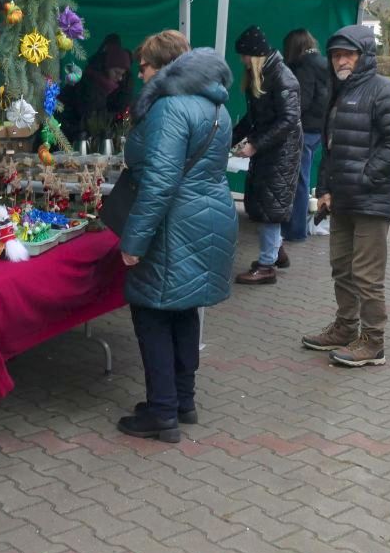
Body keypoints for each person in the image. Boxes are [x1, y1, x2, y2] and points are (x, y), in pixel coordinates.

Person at [116, 30, 237, 443]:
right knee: (184, 310)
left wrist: (133, 242)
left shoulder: (169, 108)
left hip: (174, 223)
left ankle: (162, 412)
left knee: (151, 312)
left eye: (145, 67)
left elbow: (159, 183)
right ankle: (183, 402)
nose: (141, 75)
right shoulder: (217, 105)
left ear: (165, 67)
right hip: (207, 215)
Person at [302, 24, 390, 366]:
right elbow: (331, 149)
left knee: (367, 275)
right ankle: (345, 328)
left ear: (364, 56)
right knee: (341, 268)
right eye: (336, 55)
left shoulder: (384, 91)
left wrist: (363, 178)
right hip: (342, 200)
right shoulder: (337, 92)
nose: (341, 61)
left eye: (348, 54)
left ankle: (373, 342)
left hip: (371, 200)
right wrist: (324, 189)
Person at [231, 25, 302, 285]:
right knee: (264, 202)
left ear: (255, 55)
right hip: (271, 149)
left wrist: (255, 145)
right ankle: (275, 252)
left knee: (270, 206)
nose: (242, 61)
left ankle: (267, 264)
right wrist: (230, 139)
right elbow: (253, 118)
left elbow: (289, 119)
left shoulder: (282, 77)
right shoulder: (266, 74)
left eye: (244, 56)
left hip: (280, 152)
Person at [282, 29, 330, 242]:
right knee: (304, 177)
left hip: (305, 128)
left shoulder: (304, 66)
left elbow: (303, 100)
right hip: (319, 128)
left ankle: (295, 230)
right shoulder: (324, 63)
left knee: (298, 179)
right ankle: (298, 227)